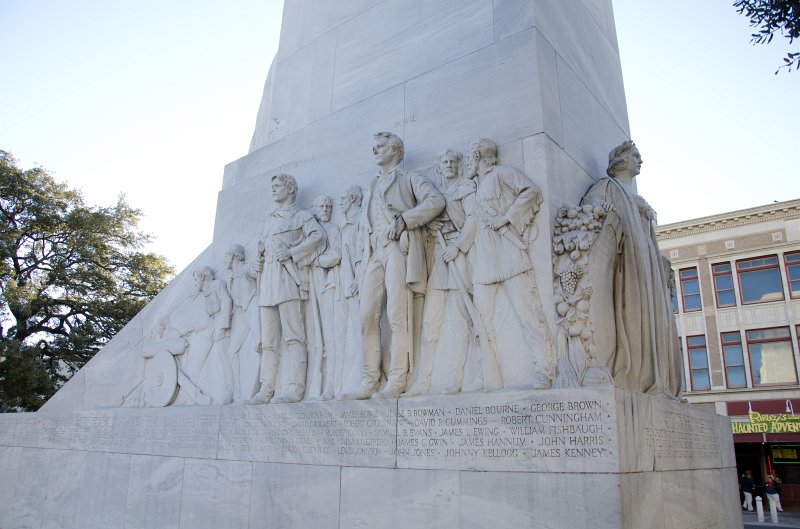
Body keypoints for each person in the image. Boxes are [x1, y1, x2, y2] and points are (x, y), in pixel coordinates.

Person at [343, 131, 445, 400]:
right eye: (374, 147)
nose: (375, 150)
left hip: (398, 250)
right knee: (366, 316)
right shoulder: (371, 186)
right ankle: (369, 379)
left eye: (381, 147)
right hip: (374, 255)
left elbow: (436, 201)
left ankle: (398, 378)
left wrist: (404, 221)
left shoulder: (409, 178)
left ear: (396, 151)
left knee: (398, 315)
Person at [580, 140, 682, 397]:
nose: (640, 160)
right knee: (632, 317)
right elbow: (590, 213)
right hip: (627, 268)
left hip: (644, 268)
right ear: (620, 161)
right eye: (634, 155)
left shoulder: (638, 200)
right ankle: (632, 370)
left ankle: (651, 377)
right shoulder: (607, 187)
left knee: (647, 318)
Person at [454, 138, 554, 390]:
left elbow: (531, 191)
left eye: (469, 157)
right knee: (481, 320)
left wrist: (507, 217)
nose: (467, 162)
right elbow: (472, 222)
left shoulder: (502, 173)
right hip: (485, 262)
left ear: (477, 156)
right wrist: (457, 247)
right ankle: (484, 373)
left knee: (529, 315)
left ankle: (545, 368)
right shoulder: (473, 189)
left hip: (510, 255)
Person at [247, 173, 326, 404]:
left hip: (289, 279)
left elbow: (318, 236)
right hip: (267, 282)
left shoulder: (301, 216)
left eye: (278, 186)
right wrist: (256, 264)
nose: (273, 189)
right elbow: (260, 250)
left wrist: (293, 252)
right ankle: (266, 388)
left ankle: (294, 387)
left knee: (294, 336)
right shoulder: (267, 221)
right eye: (272, 186)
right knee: (269, 341)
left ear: (291, 190)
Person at [405, 149, 477, 396]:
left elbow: (474, 218)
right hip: (439, 257)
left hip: (459, 256)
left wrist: (458, 247)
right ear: (438, 167)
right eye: (444, 161)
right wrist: (430, 227)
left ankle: (456, 377)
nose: (448, 165)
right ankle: (423, 380)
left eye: (452, 161)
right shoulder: (434, 196)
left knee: (459, 320)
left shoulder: (465, 188)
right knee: (430, 322)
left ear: (459, 165)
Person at [308, 195, 342, 400]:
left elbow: (336, 254)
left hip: (328, 286)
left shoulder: (333, 230)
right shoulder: (310, 232)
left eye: (329, 206)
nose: (326, 209)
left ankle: (330, 384)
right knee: (316, 339)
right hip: (312, 287)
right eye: (321, 206)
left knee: (330, 337)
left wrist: (317, 260)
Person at [336, 184, 364, 397]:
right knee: (352, 335)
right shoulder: (346, 225)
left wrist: (358, 278)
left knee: (360, 333)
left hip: (358, 286)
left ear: (353, 198)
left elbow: (364, 251)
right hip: (348, 287)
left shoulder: (360, 220)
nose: (340, 202)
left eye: (343, 197)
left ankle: (361, 379)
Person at [224, 244, 260, 403]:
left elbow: (255, 269)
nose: (225, 260)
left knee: (261, 345)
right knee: (232, 351)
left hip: (252, 308)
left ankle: (259, 389)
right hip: (241, 314)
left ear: (235, 256)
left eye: (227, 256)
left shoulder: (246, 269)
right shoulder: (231, 278)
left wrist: (260, 260)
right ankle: (237, 392)